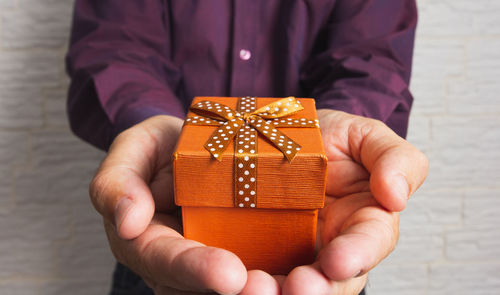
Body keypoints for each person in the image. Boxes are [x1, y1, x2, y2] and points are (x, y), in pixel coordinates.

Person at [66, 1, 428, 294]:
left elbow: (373, 54)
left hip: (319, 244)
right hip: (167, 220)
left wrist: (345, 139)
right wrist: (149, 126)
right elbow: (113, 45)